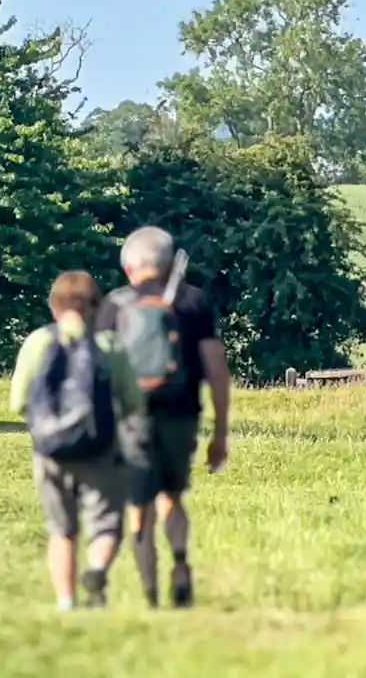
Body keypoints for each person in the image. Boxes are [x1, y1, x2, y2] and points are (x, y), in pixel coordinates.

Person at [100, 226, 231, 609]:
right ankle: (180, 561)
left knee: (139, 508)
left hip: (133, 419)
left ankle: (151, 595)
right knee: (172, 497)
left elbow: (98, 373)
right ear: (171, 262)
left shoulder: (115, 305)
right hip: (181, 414)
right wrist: (220, 431)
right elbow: (216, 368)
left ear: (129, 268)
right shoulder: (192, 302)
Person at [8, 271, 145, 612]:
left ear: (55, 307)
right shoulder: (109, 346)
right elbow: (133, 404)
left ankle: (66, 603)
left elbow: (18, 402)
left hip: (51, 452)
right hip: (99, 450)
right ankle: (97, 571)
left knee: (62, 530)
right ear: (95, 308)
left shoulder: (38, 342)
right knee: (105, 525)